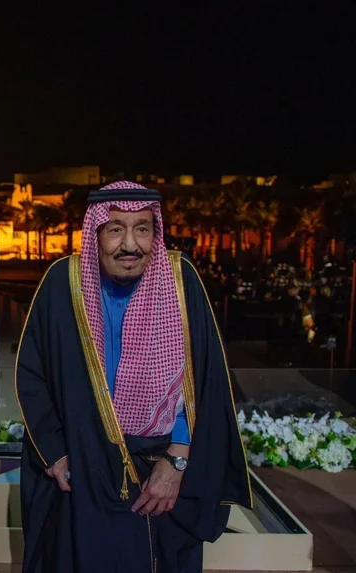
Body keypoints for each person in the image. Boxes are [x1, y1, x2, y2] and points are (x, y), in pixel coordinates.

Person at [15, 181, 252, 572]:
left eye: (142, 229)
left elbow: (205, 381)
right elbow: (32, 374)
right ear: (95, 234)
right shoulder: (63, 282)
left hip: (160, 470)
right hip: (82, 468)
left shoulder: (180, 279)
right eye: (115, 229)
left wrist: (178, 460)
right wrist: (54, 453)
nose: (130, 244)